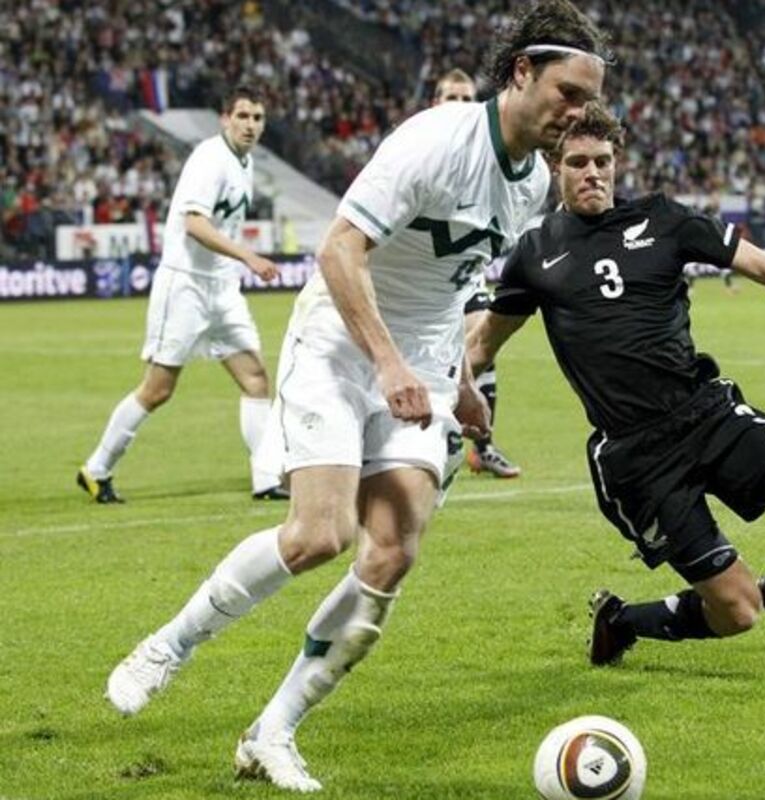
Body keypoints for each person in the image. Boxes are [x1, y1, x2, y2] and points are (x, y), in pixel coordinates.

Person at [104, 2, 609, 792]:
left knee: (392, 551)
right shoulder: (434, 141)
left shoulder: (535, 183)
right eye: (568, 93)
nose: (578, 112)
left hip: (422, 368)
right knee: (319, 534)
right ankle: (169, 644)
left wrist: (462, 384)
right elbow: (340, 248)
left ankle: (273, 732)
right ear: (521, 73)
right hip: (341, 347)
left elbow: (453, 287)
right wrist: (386, 363)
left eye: (589, 100)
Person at [468, 104, 765, 668]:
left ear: (617, 163)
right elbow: (482, 344)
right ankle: (621, 620)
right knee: (738, 612)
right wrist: (447, 391)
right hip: (638, 457)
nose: (593, 173)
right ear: (554, 167)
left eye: (603, 161)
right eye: (579, 162)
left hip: (706, 414)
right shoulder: (535, 253)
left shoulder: (662, 218)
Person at [77, 85, 287, 503]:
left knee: (255, 378)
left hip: (222, 287)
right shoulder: (210, 158)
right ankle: (96, 469)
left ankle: (266, 478)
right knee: (158, 389)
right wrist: (248, 256)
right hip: (186, 284)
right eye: (242, 116)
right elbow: (195, 224)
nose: (250, 125)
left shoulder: (244, 163)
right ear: (225, 119)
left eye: (257, 118)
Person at [431, 68, 523, 478]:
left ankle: (481, 446)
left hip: (464, 273)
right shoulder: (416, 150)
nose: (459, 106)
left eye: (466, 99)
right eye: (451, 98)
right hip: (420, 280)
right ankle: (431, 433)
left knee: (483, 338)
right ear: (435, 104)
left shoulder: (488, 157)